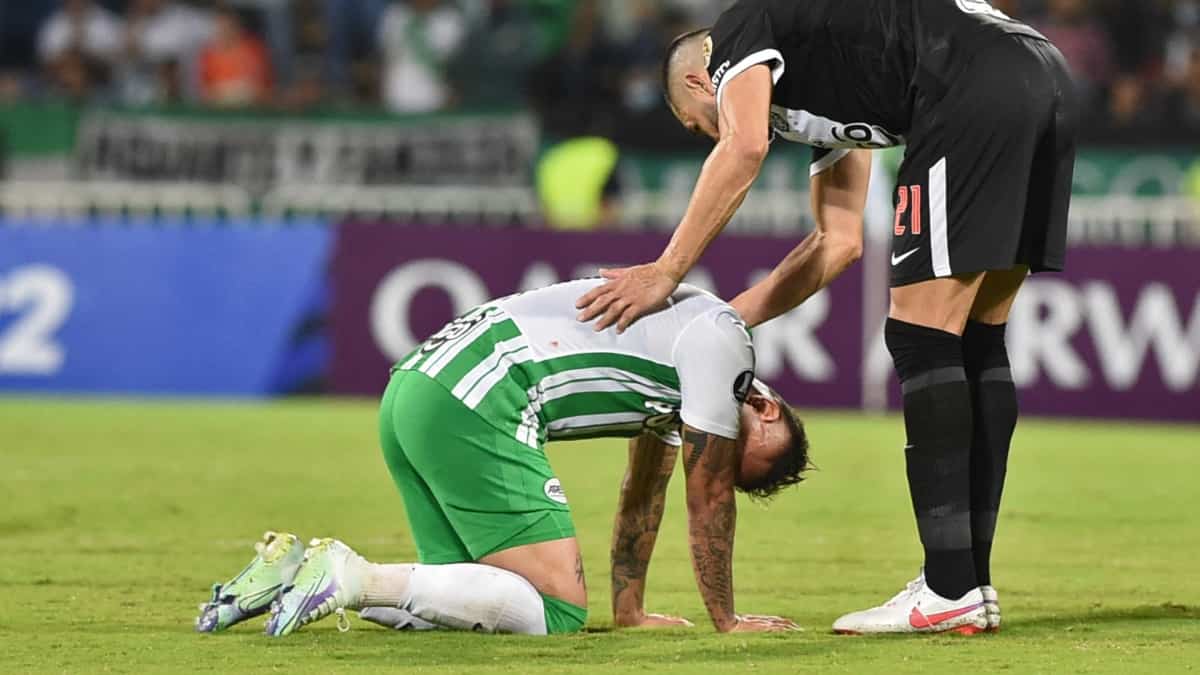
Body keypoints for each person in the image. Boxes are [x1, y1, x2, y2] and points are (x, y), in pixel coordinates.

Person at [576, 0, 1078, 635]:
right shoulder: (829, 80)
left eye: (693, 122)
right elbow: (837, 240)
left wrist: (666, 270)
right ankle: (967, 583)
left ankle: (947, 588)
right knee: (976, 335)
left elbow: (743, 144)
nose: (705, 131)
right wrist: (719, 324)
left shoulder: (735, 32)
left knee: (920, 335)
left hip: (970, 81)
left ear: (702, 79)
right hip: (1042, 74)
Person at [196, 279, 810, 636]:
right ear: (766, 408)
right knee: (558, 613)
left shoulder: (684, 383)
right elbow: (707, 498)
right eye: (735, 457)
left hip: (418, 385)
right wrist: (726, 619)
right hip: (479, 397)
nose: (717, 463)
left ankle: (288, 574)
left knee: (454, 608)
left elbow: (642, 494)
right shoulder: (727, 351)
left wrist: (630, 611)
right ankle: (351, 576)